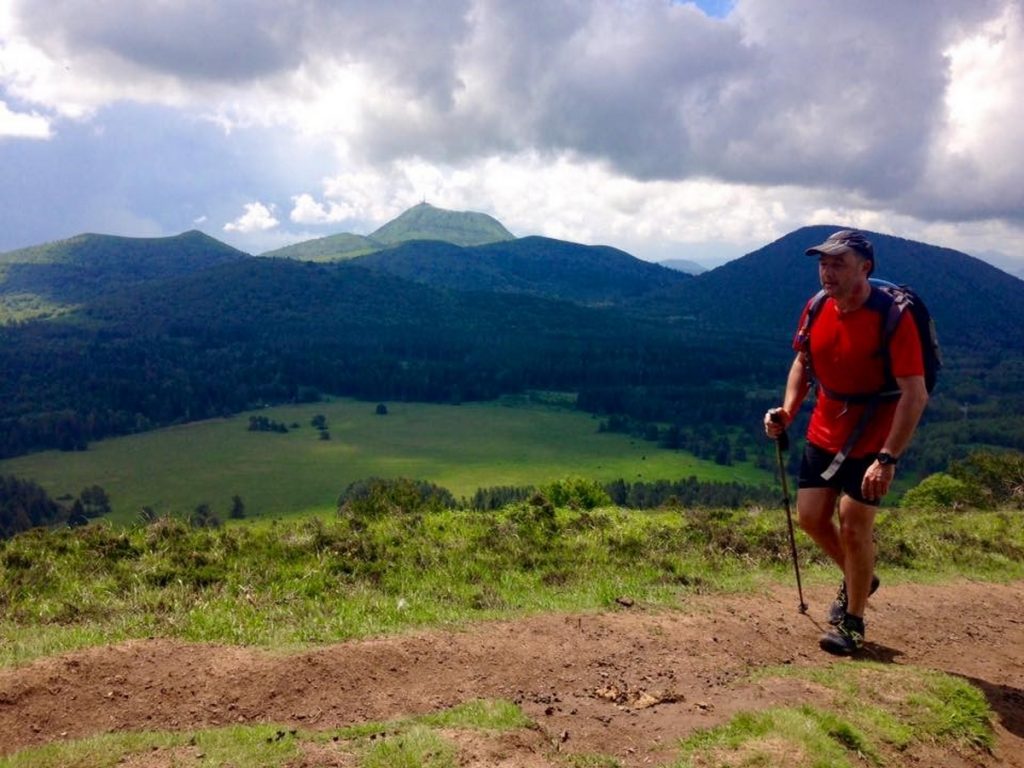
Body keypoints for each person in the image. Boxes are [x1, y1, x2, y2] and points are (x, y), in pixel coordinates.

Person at [764, 229, 929, 655]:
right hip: (825, 426)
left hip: (874, 433)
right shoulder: (818, 306)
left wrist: (888, 458)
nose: (827, 271)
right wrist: (788, 411)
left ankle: (853, 622)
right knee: (812, 518)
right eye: (823, 263)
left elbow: (915, 392)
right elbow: (803, 361)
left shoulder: (892, 315)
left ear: (865, 268)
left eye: (838, 263)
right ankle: (862, 579)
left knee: (853, 522)